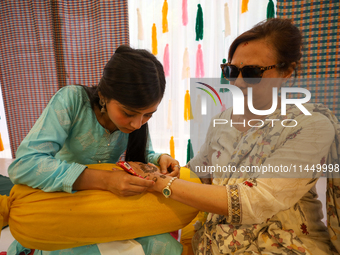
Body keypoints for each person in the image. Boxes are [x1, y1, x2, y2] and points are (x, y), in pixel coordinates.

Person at [128, 18, 340, 254]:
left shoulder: (310, 126)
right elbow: (201, 174)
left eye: (251, 72)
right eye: (230, 70)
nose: (237, 82)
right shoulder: (224, 120)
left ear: (286, 72)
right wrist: (162, 168)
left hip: (285, 246)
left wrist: (162, 183)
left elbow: (256, 200)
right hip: (213, 245)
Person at [7, 45, 182, 255]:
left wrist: (162, 159)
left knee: (168, 247)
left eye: (148, 115)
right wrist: (105, 180)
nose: (138, 124)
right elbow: (25, 165)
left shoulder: (136, 122)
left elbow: (143, 156)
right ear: (104, 95)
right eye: (129, 113)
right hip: (64, 203)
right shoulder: (72, 101)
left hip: (106, 206)